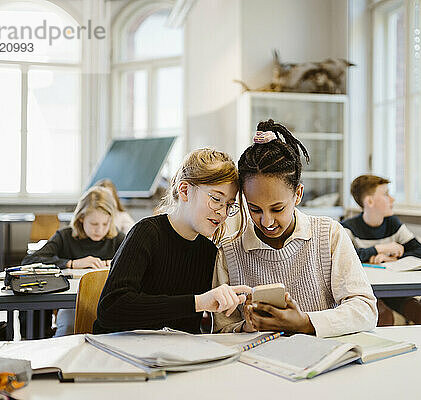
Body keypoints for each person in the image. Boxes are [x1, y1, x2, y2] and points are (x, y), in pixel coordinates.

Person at [214, 120, 377, 338]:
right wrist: (246, 326)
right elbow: (221, 329)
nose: (266, 221)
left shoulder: (329, 235)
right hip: (258, 364)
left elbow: (365, 310)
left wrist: (305, 323)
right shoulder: (229, 251)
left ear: (298, 194)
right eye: (254, 209)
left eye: (277, 208)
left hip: (322, 362)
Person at [94, 148, 251, 334]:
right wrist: (197, 302)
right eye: (216, 199)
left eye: (229, 205)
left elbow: (188, 328)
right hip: (119, 350)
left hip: (172, 355)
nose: (222, 212)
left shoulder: (208, 252)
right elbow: (111, 308)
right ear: (184, 190)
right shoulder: (146, 233)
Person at [21, 186, 126, 337]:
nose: (100, 230)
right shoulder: (65, 236)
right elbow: (30, 260)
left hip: (108, 304)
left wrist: (116, 263)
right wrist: (71, 263)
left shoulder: (117, 239)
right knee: (67, 331)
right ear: (81, 218)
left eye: (105, 224)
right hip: (71, 303)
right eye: (94, 224)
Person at [341, 175, 421, 325]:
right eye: (386, 194)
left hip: (393, 292)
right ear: (369, 201)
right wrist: (380, 249)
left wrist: (393, 258)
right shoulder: (348, 227)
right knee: (383, 317)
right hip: (364, 292)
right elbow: (348, 258)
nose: (392, 199)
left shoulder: (393, 224)